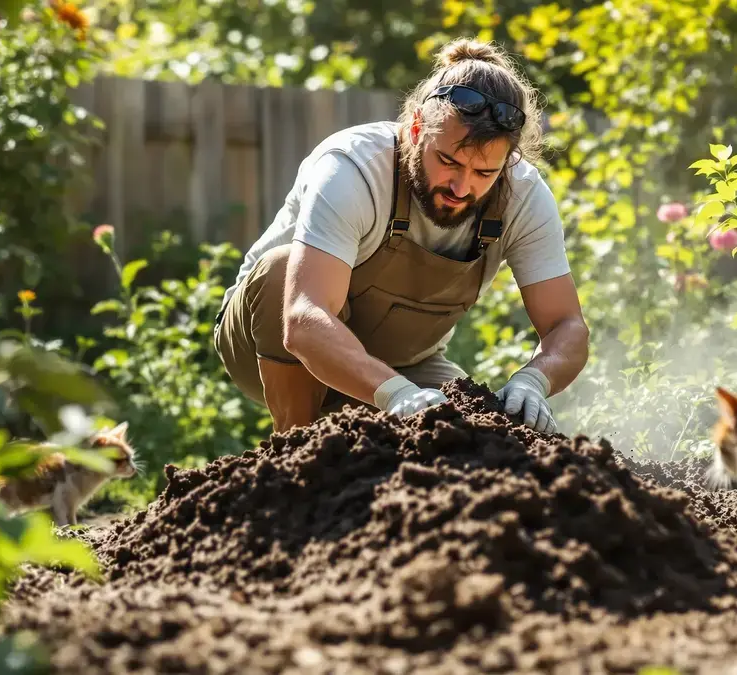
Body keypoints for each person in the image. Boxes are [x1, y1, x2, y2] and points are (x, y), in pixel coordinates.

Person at [213, 38, 591, 434]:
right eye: (448, 161)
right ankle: (295, 451)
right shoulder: (352, 169)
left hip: (406, 364)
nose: (461, 187)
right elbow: (304, 319)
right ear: (415, 128)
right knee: (282, 268)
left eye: (484, 173)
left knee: (476, 432)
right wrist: (395, 395)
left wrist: (534, 380)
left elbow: (567, 325)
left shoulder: (524, 194)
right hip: (268, 342)